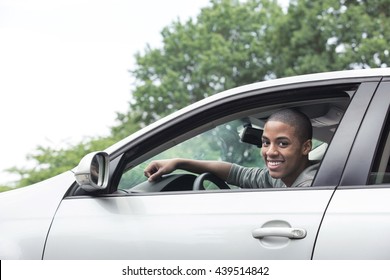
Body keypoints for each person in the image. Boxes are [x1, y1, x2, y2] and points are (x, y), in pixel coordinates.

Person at [144, 109, 319, 188]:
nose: (270, 152)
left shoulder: (310, 186)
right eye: (266, 142)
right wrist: (179, 162)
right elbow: (236, 173)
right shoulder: (284, 177)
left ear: (306, 147)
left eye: (282, 143)